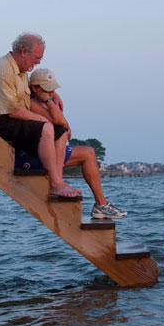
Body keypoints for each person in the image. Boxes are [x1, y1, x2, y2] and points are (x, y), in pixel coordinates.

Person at [0, 33, 81, 199]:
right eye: (37, 57)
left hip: (13, 117)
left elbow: (28, 94)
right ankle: (55, 184)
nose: (38, 62)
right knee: (46, 127)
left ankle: (58, 180)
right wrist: (43, 120)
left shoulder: (22, 70)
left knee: (60, 130)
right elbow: (11, 110)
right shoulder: (3, 69)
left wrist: (52, 95)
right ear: (24, 52)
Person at [28, 68, 126, 219]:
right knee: (83, 149)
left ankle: (101, 205)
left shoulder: (47, 100)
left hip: (56, 149)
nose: (51, 92)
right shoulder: (32, 103)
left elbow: (65, 127)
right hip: (42, 154)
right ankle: (58, 184)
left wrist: (52, 99)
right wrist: (49, 101)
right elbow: (62, 124)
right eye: (48, 89)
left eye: (53, 88)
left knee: (88, 153)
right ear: (36, 88)